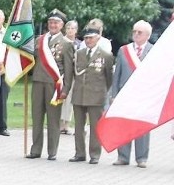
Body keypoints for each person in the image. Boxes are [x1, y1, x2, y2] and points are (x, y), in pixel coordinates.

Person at [26, 9, 74, 160]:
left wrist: (65, 89)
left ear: (62, 25)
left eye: (56, 22)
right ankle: (35, 150)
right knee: (37, 117)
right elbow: (31, 59)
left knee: (53, 120)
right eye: (51, 22)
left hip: (54, 85)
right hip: (38, 82)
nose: (53, 25)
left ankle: (52, 151)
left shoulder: (66, 44)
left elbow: (68, 69)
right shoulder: (40, 40)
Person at [110, 20, 153, 168]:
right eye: (134, 31)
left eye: (139, 32)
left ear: (147, 35)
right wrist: (114, 93)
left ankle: (141, 158)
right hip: (124, 95)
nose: (135, 34)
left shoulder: (153, 51)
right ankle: (123, 156)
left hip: (143, 96)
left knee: (141, 127)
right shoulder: (124, 50)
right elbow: (117, 75)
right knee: (123, 125)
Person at [70, 26, 114, 164]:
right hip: (79, 94)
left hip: (96, 96)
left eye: (91, 38)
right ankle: (79, 153)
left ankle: (95, 154)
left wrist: (103, 92)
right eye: (86, 38)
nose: (88, 40)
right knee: (78, 127)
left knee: (95, 127)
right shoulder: (79, 53)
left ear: (98, 38)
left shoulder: (106, 56)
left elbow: (109, 78)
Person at [60, 20, 80, 135]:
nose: (70, 30)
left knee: (69, 100)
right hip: (62, 74)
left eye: (72, 28)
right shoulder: (61, 42)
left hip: (73, 75)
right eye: (68, 28)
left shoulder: (79, 44)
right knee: (60, 98)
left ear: (76, 30)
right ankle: (59, 123)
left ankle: (66, 124)